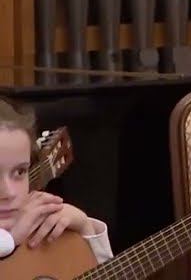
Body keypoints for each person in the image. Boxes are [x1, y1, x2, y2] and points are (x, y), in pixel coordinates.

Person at [0, 98, 112, 263]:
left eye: (20, 171)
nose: (9, 192)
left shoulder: (44, 231)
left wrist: (86, 231)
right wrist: (11, 239)